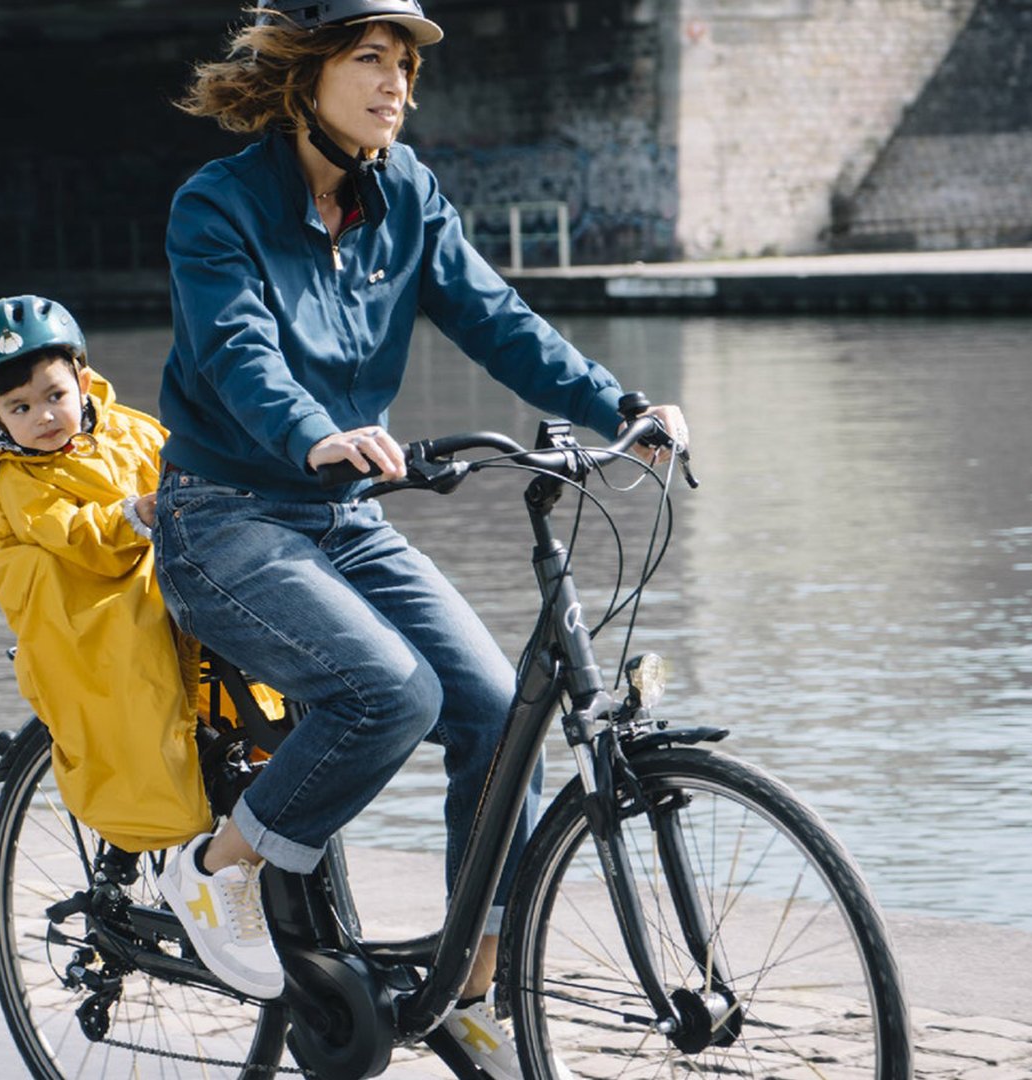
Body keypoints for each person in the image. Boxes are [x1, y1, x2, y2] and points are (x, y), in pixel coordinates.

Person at [148, 0, 688, 1072]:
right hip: (225, 515)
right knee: (391, 692)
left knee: (495, 716)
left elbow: (498, 319)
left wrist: (617, 406)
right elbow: (238, 353)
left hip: (343, 514)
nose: (398, 83)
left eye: (405, 64)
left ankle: (470, 986)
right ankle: (217, 863)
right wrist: (316, 435)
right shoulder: (217, 208)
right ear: (306, 74)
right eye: (370, 59)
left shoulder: (407, 196)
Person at [0, 295, 213, 854]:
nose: (42, 417)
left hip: (172, 578)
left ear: (83, 382)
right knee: (138, 693)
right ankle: (178, 837)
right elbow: (71, 534)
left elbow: (186, 468)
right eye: (19, 408)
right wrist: (135, 515)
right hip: (96, 603)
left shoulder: (131, 431)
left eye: (55, 396)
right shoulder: (12, 479)